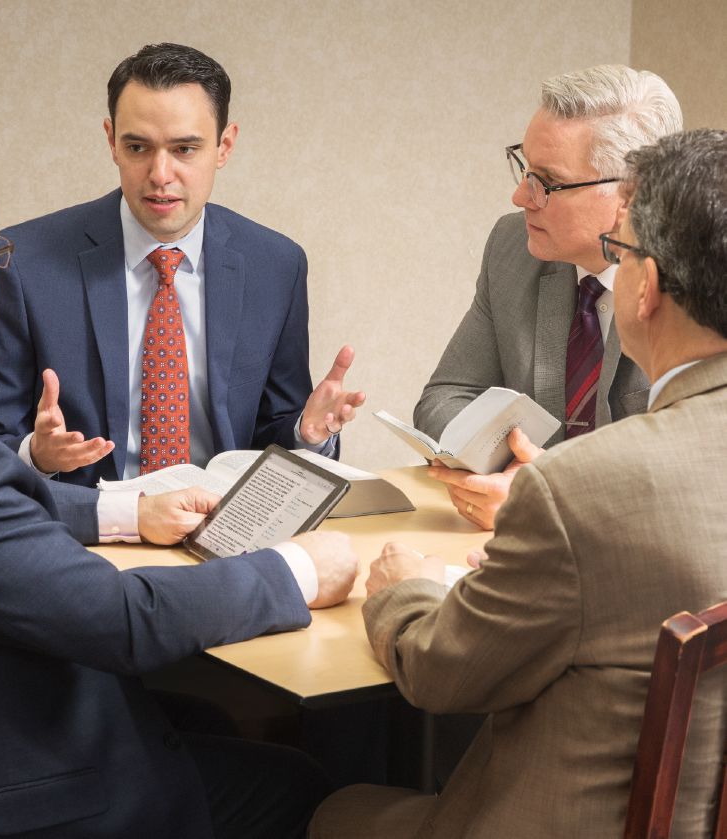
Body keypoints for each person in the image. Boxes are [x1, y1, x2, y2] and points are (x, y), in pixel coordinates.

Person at [0, 135, 360, 839]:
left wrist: (123, 510)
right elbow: (123, 621)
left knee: (195, 715)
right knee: (299, 784)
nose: (0, 271)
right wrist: (297, 569)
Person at [309, 128, 727, 838]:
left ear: (647, 287)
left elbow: (443, 676)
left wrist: (401, 588)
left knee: (330, 808)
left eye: (618, 255)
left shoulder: (578, 491)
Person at [0, 42, 365, 487]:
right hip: (90, 532)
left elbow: (272, 434)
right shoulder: (22, 263)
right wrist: (37, 456)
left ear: (224, 146)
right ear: (112, 141)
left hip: (225, 529)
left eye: (185, 149)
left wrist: (305, 434)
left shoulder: (276, 265)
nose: (160, 174)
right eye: (138, 147)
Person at [414, 64, 682, 531]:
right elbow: (445, 398)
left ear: (629, 196)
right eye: (524, 167)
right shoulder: (513, 246)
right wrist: (514, 471)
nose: (521, 196)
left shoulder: (695, 285)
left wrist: (546, 493)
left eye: (548, 182)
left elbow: (688, 474)